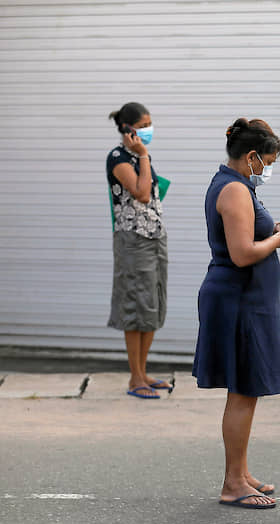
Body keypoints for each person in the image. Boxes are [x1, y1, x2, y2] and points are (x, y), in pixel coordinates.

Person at [192, 118, 280, 509]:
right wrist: (279, 240)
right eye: (268, 161)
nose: (268, 169)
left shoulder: (236, 185)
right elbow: (241, 254)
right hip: (237, 301)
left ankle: (240, 472)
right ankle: (232, 483)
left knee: (248, 389)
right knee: (243, 390)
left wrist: (276, 226)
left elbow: (247, 232)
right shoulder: (235, 189)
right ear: (252, 156)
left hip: (246, 300)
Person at [106, 102, 170, 399]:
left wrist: (143, 157)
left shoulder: (140, 157)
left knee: (152, 304)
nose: (148, 129)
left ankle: (143, 373)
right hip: (132, 241)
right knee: (135, 306)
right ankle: (135, 378)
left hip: (154, 238)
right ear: (127, 128)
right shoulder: (119, 158)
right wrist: (143, 156)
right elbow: (142, 194)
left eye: (149, 124)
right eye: (142, 125)